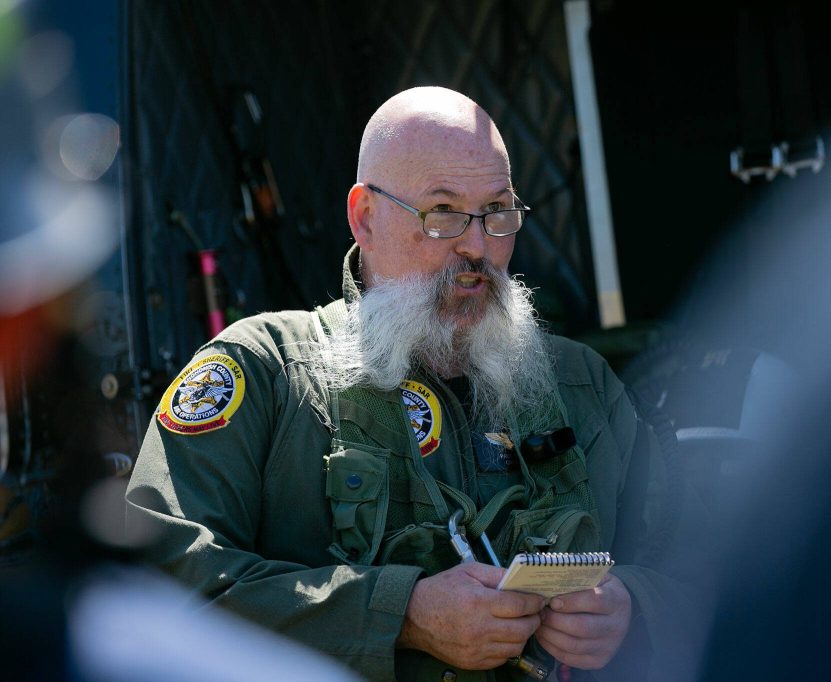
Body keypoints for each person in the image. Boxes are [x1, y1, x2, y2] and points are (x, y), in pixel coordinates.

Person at [127, 87, 679, 681]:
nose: (477, 245)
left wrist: (633, 608)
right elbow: (155, 590)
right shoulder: (265, 373)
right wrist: (401, 615)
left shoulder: (579, 383)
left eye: (497, 211)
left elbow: (718, 561)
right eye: (443, 214)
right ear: (364, 217)